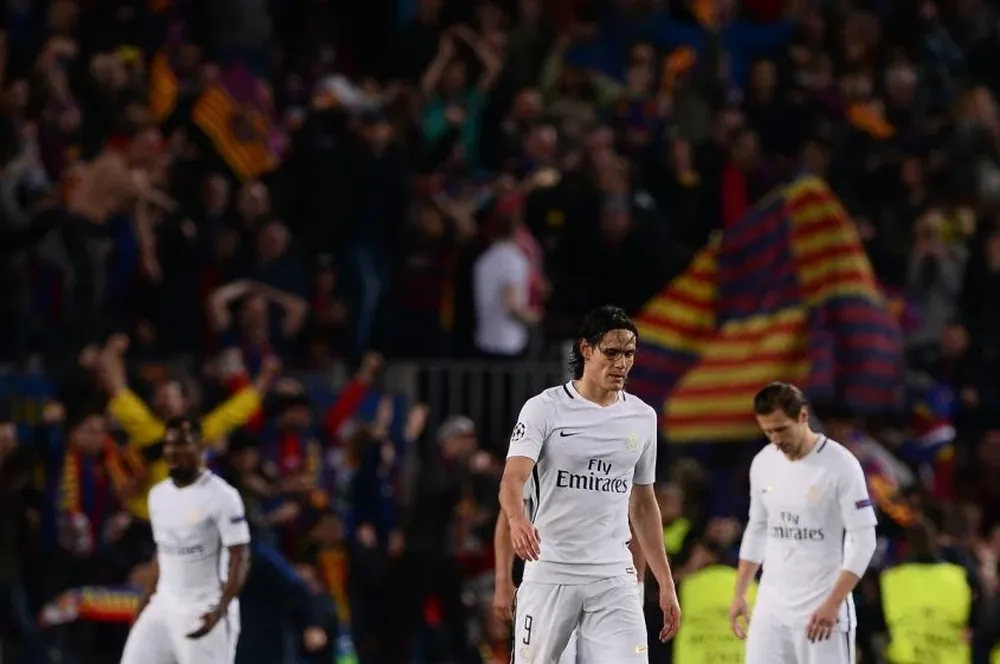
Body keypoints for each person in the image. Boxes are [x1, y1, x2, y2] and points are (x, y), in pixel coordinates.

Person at [498, 304, 680, 663]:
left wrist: (665, 581)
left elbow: (643, 504)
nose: (621, 363)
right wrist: (518, 520)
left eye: (628, 354)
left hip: (613, 574)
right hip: (552, 569)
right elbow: (511, 480)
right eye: (611, 352)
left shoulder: (642, 418)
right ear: (586, 349)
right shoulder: (545, 409)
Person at [730, 382, 878, 664]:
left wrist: (834, 602)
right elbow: (758, 527)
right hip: (771, 609)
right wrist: (740, 593)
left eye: (781, 429)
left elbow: (864, 538)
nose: (775, 439)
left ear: (803, 416)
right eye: (768, 431)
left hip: (821, 610)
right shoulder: (763, 463)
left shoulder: (841, 465)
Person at [119, 416, 252, 664]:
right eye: (169, 444)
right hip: (163, 604)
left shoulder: (222, 496)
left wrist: (220, 609)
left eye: (182, 443)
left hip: (203, 607)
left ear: (201, 447)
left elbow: (240, 556)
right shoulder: (158, 495)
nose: (173, 451)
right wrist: (145, 603)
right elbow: (164, 552)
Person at [493, 508, 648, 663]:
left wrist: (638, 587)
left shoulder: (619, 486)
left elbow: (638, 517)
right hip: (552, 584)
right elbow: (509, 515)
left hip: (608, 586)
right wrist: (503, 581)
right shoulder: (539, 484)